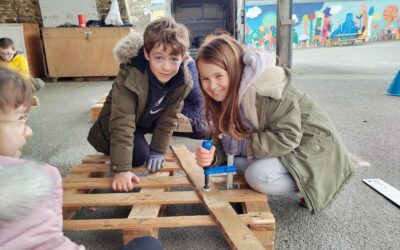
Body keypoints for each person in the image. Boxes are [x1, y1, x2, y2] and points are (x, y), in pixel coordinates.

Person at [0, 67, 164, 249]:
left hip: (137, 129)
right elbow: (121, 127)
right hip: (116, 132)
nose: (29, 131)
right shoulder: (40, 179)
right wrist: (122, 168)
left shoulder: (179, 80)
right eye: (21, 119)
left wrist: (157, 149)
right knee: (148, 245)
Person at [194, 35, 354, 213]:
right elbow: (226, 141)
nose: (212, 85)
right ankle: (293, 175)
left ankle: (314, 184)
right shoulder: (226, 95)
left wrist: (243, 145)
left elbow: (288, 136)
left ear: (234, 70)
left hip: (315, 150)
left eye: (218, 76)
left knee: (257, 176)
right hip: (290, 147)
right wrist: (213, 156)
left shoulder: (267, 88)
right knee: (240, 163)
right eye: (205, 79)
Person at [87, 17, 193, 192]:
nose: (166, 67)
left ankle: (138, 144)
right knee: (139, 156)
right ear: (146, 53)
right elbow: (122, 123)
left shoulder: (183, 81)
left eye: (174, 59)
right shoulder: (130, 76)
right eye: (158, 58)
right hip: (114, 125)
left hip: (143, 121)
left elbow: (169, 118)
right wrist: (121, 169)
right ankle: (114, 149)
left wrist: (158, 150)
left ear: (182, 58)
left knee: (151, 151)